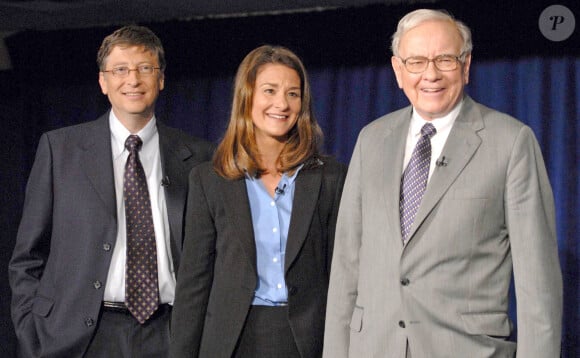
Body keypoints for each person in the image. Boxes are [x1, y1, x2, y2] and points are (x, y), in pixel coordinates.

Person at [323, 8, 562, 358]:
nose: (430, 74)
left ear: (465, 66)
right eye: (417, 61)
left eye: (445, 59)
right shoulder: (371, 140)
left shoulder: (511, 143)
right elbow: (346, 265)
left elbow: (538, 286)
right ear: (398, 71)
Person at [9, 25, 214, 357]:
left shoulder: (200, 157)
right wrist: (31, 329)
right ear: (103, 82)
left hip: (171, 334)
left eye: (144, 69)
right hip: (78, 337)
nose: (132, 80)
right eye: (120, 70)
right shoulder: (60, 150)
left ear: (160, 79)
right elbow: (27, 256)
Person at [169, 45, 347, 358]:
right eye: (270, 90)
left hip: (307, 341)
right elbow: (194, 285)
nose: (282, 103)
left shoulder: (330, 177)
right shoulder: (210, 180)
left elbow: (342, 275)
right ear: (247, 96)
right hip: (231, 341)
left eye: (293, 94)